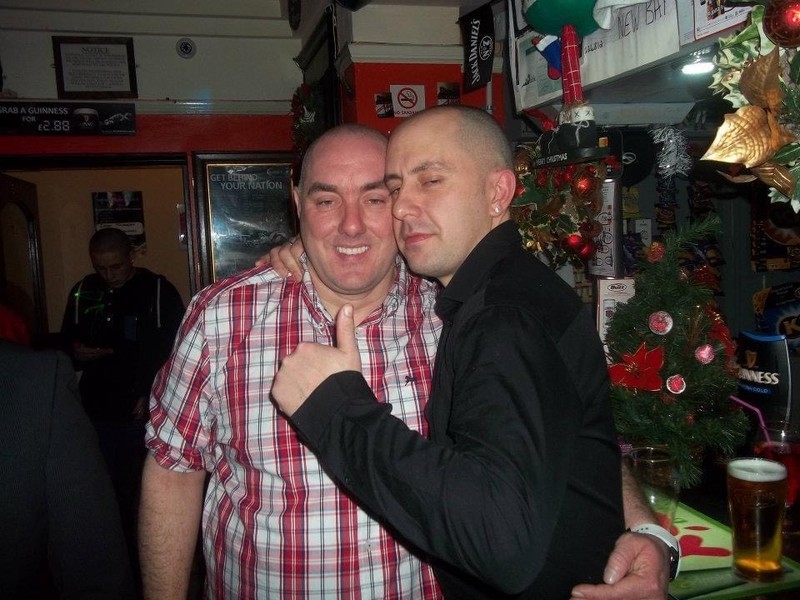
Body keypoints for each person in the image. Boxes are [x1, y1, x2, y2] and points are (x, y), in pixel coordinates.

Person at [142, 124, 671, 600]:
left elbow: (555, 434)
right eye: (326, 201)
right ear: (297, 203)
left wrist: (646, 530)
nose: (351, 226)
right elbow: (172, 470)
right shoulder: (224, 317)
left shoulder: (454, 311)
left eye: (376, 197)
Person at [60, 226, 185, 590]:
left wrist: (148, 392)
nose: (109, 275)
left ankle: (144, 572)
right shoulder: (84, 291)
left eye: (115, 266)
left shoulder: (157, 290)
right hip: (96, 411)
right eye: (101, 268)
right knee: (101, 499)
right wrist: (78, 352)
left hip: (141, 414)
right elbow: (66, 341)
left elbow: (173, 352)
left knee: (142, 500)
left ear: (131, 256)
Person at [0, 339, 135, 599]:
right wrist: (77, 352)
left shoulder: (36, 380)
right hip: (90, 405)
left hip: (112, 409)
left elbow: (96, 568)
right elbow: (68, 339)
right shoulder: (39, 380)